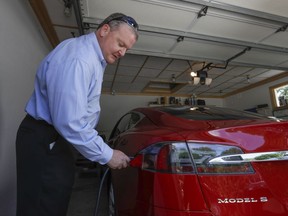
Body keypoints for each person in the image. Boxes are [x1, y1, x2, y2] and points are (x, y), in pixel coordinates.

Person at [16, 12, 139, 216]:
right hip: (46, 139)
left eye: (126, 48)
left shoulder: (93, 58)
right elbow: (69, 122)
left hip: (57, 140)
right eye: (120, 43)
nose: (122, 53)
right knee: (42, 206)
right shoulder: (79, 58)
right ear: (104, 30)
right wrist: (107, 154)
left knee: (55, 200)